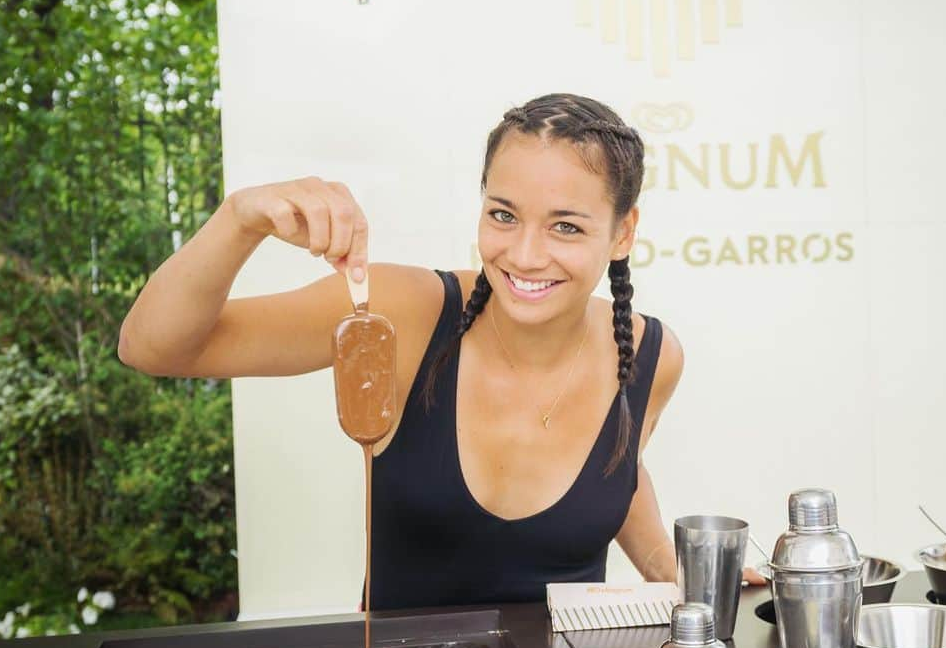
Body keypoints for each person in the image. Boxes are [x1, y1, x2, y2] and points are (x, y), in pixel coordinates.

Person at [119, 93, 762, 608]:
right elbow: (154, 347)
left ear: (623, 233)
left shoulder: (651, 355)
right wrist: (239, 220)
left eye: (566, 226)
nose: (526, 254)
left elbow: (616, 468)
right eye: (504, 215)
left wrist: (672, 571)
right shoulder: (399, 314)